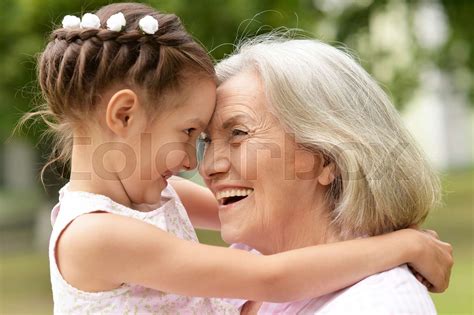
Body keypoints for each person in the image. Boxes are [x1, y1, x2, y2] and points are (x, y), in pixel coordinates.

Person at [29, 3, 452, 314]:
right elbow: (274, 279)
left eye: (235, 133)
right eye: (191, 133)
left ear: (327, 157)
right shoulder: (96, 235)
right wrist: (404, 245)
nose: (197, 164)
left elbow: (264, 204)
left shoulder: (151, 197)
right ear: (124, 115)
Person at [195, 36, 451, 314]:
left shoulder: (377, 304)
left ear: (326, 160)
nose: (208, 167)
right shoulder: (248, 263)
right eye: (207, 141)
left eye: (238, 133)